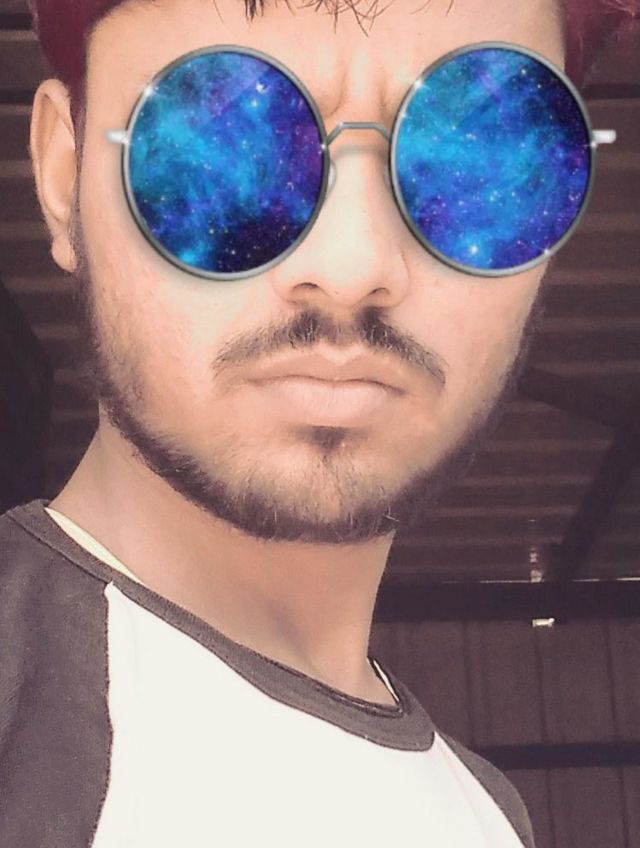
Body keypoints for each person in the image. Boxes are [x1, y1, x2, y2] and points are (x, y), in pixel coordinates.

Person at [0, 0, 637, 845]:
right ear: (63, 176)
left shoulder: (491, 816)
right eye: (222, 147)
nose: (352, 264)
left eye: (480, 161)